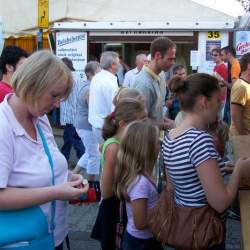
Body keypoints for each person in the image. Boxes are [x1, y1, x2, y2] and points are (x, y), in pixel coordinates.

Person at [0, 50, 89, 249]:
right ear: (32, 83)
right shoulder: (3, 126)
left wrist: (65, 178)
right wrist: (56, 191)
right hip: (22, 241)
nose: (57, 104)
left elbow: (38, 169)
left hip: (52, 237)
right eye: (54, 95)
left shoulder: (39, 120)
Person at [162, 73, 250, 249]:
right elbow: (221, 202)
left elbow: (176, 184)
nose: (220, 106)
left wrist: (220, 168)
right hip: (205, 231)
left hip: (186, 227)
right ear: (204, 102)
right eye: (218, 100)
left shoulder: (171, 136)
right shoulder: (200, 141)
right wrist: (239, 170)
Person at [91, 98, 147, 250]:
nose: (145, 125)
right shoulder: (114, 147)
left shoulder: (121, 143)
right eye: (141, 121)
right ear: (123, 124)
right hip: (113, 210)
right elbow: (107, 191)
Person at [114, 120, 163, 250]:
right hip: (141, 242)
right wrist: (163, 213)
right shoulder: (140, 183)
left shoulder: (142, 175)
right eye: (157, 141)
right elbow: (140, 223)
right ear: (146, 148)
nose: (160, 143)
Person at [134, 37, 176, 129]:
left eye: (174, 59)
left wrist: (167, 121)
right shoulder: (143, 84)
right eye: (170, 59)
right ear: (157, 56)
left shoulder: (161, 74)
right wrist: (167, 125)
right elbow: (140, 122)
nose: (173, 63)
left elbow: (154, 114)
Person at [73, 61, 101, 181]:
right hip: (87, 126)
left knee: (91, 152)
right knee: (94, 155)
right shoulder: (90, 88)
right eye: (99, 70)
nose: (101, 73)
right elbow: (92, 110)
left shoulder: (86, 85)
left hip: (82, 125)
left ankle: (72, 175)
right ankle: (92, 185)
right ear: (91, 73)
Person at [88, 51, 120, 144]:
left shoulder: (97, 77)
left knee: (101, 153)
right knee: (108, 155)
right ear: (112, 65)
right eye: (118, 62)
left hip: (96, 124)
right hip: (105, 127)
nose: (119, 64)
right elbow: (114, 108)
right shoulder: (109, 82)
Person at [60, 57, 85, 162]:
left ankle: (82, 158)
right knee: (73, 138)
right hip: (77, 113)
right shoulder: (79, 78)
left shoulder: (67, 79)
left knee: (71, 139)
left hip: (70, 115)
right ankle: (82, 158)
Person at [230, 52, 250, 135]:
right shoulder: (241, 86)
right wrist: (244, 137)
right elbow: (236, 115)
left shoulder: (246, 85)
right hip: (241, 140)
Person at [221, 46, 241, 124]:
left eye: (222, 55)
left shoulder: (235, 66)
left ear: (228, 54)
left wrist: (221, 80)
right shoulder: (234, 64)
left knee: (230, 123)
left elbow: (234, 86)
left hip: (233, 99)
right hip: (231, 98)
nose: (221, 57)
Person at [211, 48, 228, 120]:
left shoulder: (222, 67)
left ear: (221, 56)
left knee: (217, 119)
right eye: (212, 55)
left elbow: (224, 85)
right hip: (216, 96)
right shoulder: (216, 67)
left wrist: (219, 98)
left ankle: (221, 131)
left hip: (219, 98)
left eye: (215, 55)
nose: (213, 57)